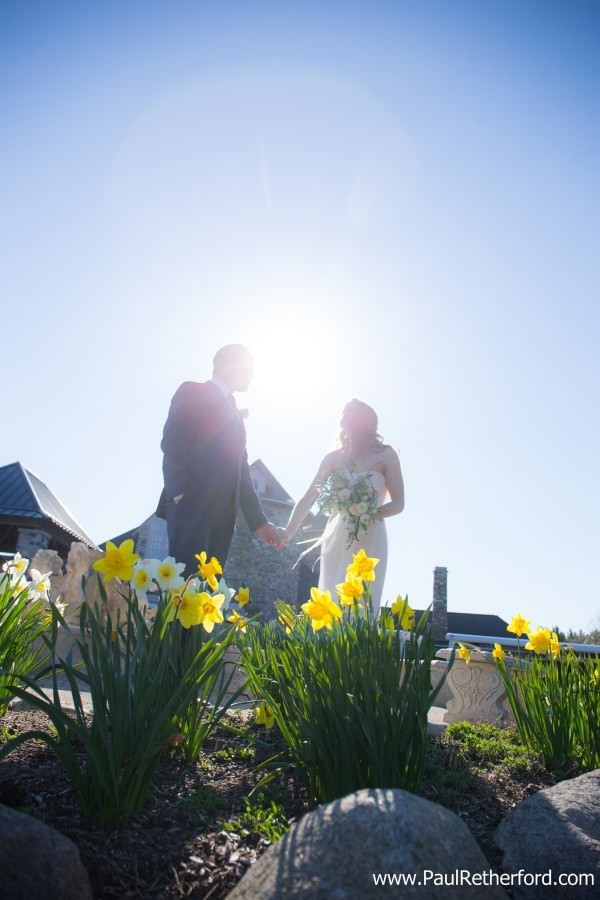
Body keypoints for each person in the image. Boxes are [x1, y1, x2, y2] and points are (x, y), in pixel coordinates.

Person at [156, 344, 285, 575]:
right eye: (249, 369)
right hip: (191, 507)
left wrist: (260, 522)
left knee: (208, 594)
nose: (253, 376)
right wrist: (179, 494)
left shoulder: (236, 414)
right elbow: (173, 442)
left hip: (223, 519)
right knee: (184, 591)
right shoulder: (192, 391)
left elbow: (241, 471)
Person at [282, 399, 404, 618]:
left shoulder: (387, 455)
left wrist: (367, 514)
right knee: (332, 595)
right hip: (338, 537)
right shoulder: (332, 458)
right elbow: (309, 496)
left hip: (371, 538)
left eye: (352, 416)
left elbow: (398, 504)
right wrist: (287, 532)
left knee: (363, 603)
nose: (346, 420)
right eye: (345, 416)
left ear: (368, 423)